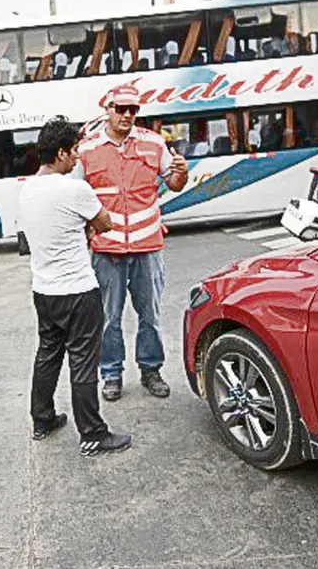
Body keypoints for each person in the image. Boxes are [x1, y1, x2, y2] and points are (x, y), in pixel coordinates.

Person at [19, 117, 132, 457]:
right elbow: (106, 223)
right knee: (83, 362)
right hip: (79, 292)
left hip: (44, 291)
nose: (78, 158)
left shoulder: (27, 190)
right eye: (75, 152)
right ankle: (93, 435)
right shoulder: (74, 189)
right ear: (62, 153)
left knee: (48, 355)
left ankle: (42, 419)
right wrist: (88, 228)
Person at [70, 84, 188, 402]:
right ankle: (111, 374)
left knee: (149, 314)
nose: (127, 115)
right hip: (106, 250)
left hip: (148, 245)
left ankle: (151, 370)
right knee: (108, 317)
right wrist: (86, 234)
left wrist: (182, 173)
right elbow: (73, 195)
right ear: (107, 109)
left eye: (133, 110)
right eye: (121, 109)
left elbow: (174, 184)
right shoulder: (88, 148)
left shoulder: (153, 143)